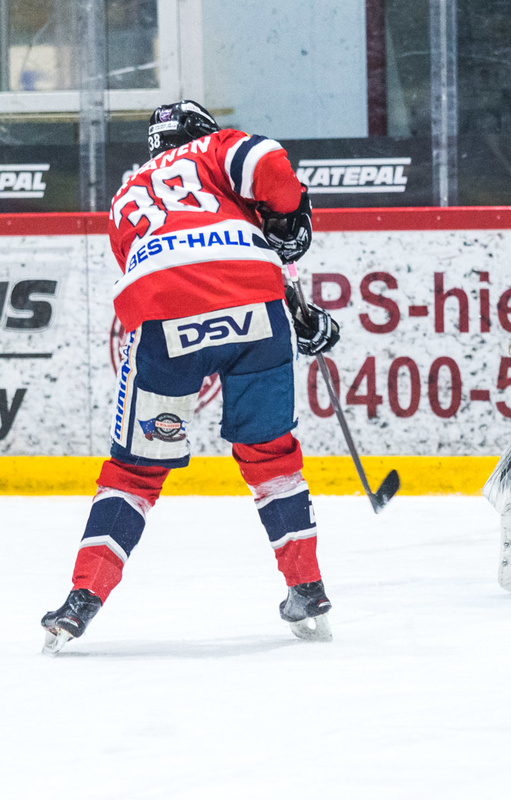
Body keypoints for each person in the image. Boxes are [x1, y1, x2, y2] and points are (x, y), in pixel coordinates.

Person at [40, 100, 341, 653]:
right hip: (256, 309)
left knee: (133, 473)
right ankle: (307, 586)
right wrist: (289, 212)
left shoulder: (126, 196)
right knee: (271, 456)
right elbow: (269, 163)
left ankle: (83, 598)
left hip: (164, 313)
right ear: (203, 132)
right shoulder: (215, 148)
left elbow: (181, 261)